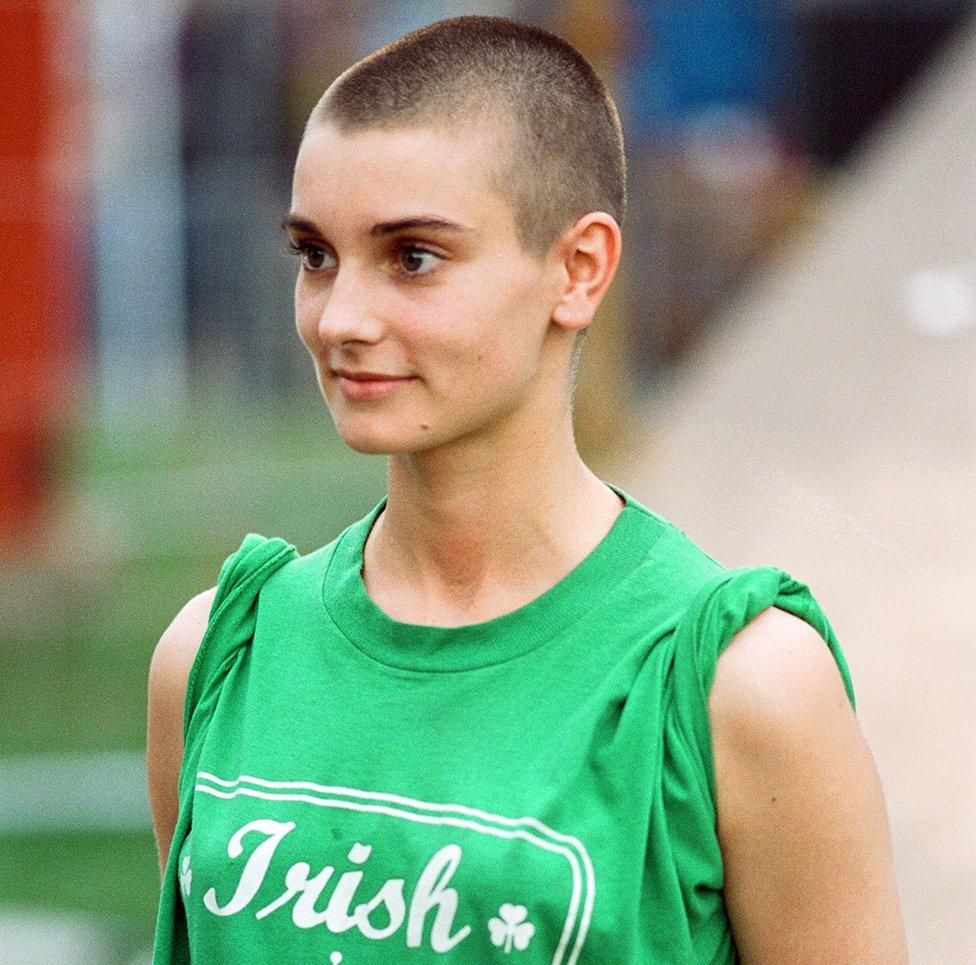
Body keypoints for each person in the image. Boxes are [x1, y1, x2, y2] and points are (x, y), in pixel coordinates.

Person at [146, 15, 907, 963]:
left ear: (578, 270)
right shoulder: (220, 659)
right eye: (316, 255)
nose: (341, 317)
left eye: (412, 256)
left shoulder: (736, 689)